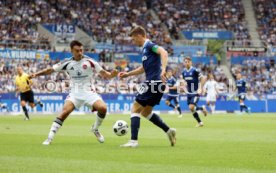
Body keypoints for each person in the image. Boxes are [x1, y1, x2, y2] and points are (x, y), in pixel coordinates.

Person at [29, 40, 118, 145]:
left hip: (89, 92)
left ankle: (95, 129)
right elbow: (50, 70)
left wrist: (112, 75)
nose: (80, 52)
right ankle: (49, 138)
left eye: (81, 50)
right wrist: (36, 74)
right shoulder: (66, 63)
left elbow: (105, 74)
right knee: (64, 113)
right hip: (75, 94)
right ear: (72, 51)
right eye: (77, 51)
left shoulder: (90, 61)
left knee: (103, 108)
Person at [119, 26, 176, 147]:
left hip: (153, 82)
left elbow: (164, 52)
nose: (134, 42)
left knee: (135, 108)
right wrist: (128, 74)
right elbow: (143, 68)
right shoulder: (145, 50)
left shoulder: (149, 45)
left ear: (139, 36)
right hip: (158, 84)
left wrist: (164, 69)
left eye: (134, 39)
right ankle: (168, 130)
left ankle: (133, 141)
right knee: (146, 112)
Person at [182, 56, 207, 127]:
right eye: (185, 62)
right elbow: (184, 80)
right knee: (192, 109)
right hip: (189, 92)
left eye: (188, 62)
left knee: (191, 107)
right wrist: (183, 84)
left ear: (191, 62)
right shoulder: (183, 71)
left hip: (195, 92)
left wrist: (200, 88)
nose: (186, 63)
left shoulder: (195, 70)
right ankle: (200, 122)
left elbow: (203, 78)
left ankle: (202, 109)